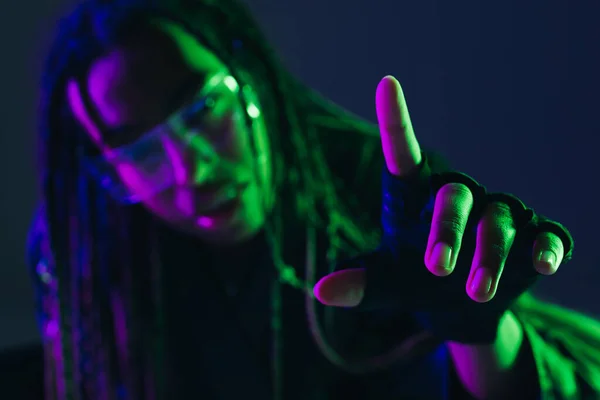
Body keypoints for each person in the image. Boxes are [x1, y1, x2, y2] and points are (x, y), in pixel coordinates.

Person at [25, 0, 600, 398]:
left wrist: (480, 328)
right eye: (142, 154)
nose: (193, 168)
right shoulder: (89, 265)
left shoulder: (378, 188)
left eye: (203, 110)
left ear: (245, 73)